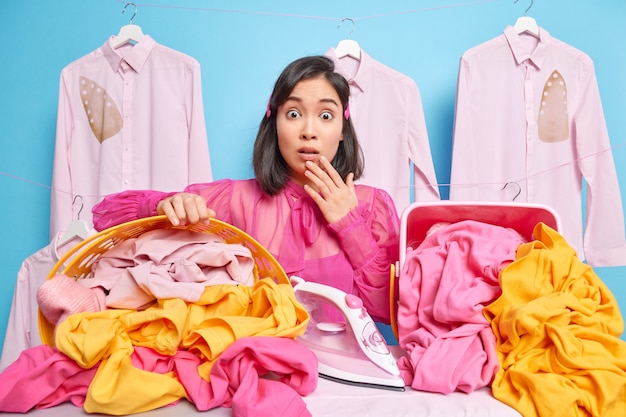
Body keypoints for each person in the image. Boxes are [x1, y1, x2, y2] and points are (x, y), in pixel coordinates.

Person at [92, 55, 400, 324]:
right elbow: (105, 218)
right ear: (274, 121)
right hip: (256, 369)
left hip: (345, 378)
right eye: (293, 114)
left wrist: (350, 226)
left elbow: (392, 311)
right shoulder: (232, 200)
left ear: (343, 130)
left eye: (325, 116)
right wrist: (164, 206)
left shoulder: (374, 206)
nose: (309, 131)